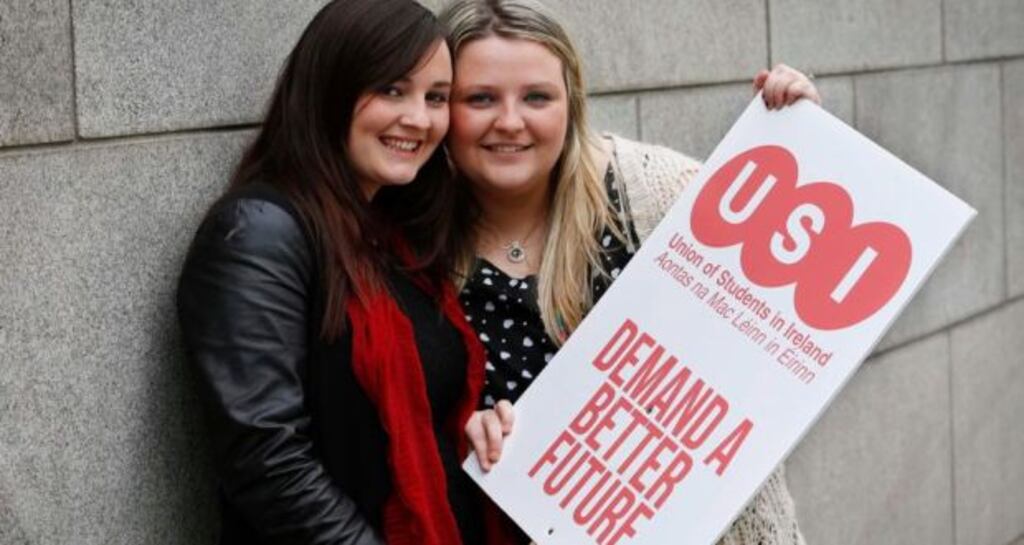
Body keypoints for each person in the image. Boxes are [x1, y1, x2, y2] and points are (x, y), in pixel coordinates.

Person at [439, 0, 820, 543]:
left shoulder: (653, 190)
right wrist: (469, 432)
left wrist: (800, 132)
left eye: (537, 97)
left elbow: (784, 299)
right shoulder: (415, 248)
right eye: (480, 98)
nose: (510, 121)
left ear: (571, 102)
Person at [177, 1, 504, 543]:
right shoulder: (259, 232)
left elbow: (409, 421)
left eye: (436, 97)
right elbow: (268, 460)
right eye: (392, 90)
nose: (419, 119)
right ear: (331, 88)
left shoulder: (390, 236)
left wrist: (475, 430)